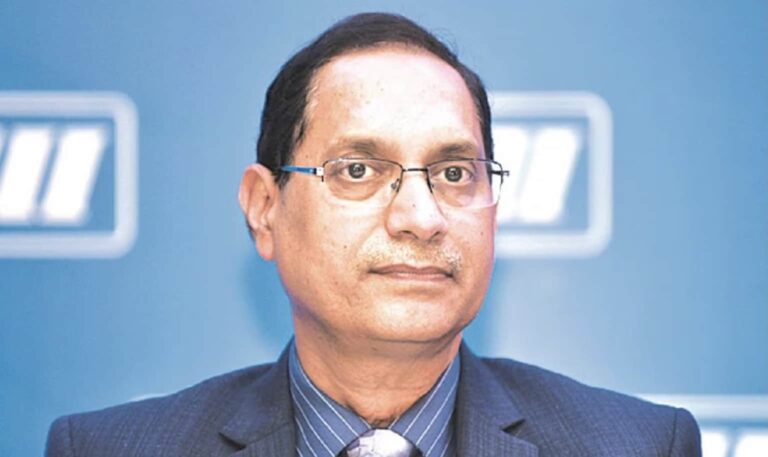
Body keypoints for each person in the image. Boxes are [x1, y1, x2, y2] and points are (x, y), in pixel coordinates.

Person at [46, 12, 701, 457]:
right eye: (358, 170)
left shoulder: (639, 445)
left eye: (453, 172)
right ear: (265, 208)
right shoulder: (109, 448)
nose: (421, 215)